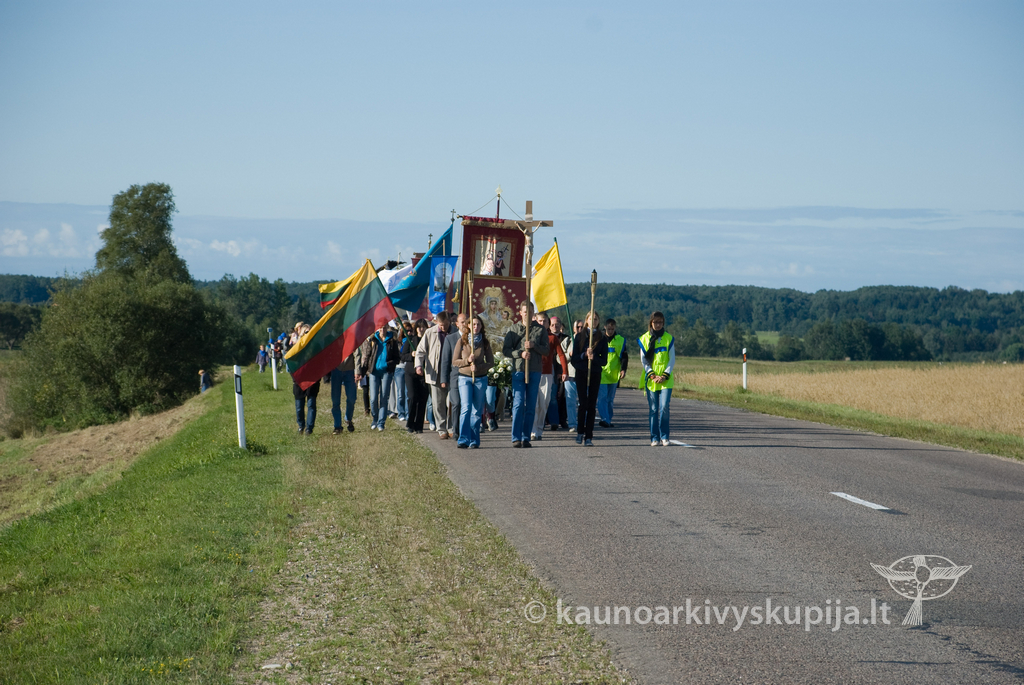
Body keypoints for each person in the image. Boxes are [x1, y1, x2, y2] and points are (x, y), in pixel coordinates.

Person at [502, 301, 550, 448]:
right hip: (519, 370)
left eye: (530, 312)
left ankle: (526, 436)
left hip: (534, 370)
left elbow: (546, 350)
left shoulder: (540, 330)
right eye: (525, 312)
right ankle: (516, 437)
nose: (527, 314)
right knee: (518, 404)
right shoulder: (514, 329)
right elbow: (506, 350)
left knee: (531, 406)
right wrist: (520, 353)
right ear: (520, 313)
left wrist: (534, 346)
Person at [453, 315, 494, 448]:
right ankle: (463, 438)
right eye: (473, 324)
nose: (476, 327)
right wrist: (467, 361)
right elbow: (455, 361)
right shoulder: (462, 341)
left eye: (478, 324)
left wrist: (479, 367)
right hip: (464, 378)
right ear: (469, 326)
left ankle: (474, 439)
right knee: (466, 407)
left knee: (476, 411)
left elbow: (491, 362)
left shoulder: (485, 343)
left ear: (481, 327)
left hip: (480, 379)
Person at [639, 311, 675, 446]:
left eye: (660, 322)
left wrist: (665, 375)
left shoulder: (669, 338)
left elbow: (672, 359)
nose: (658, 325)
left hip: (666, 379)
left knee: (664, 406)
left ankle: (664, 435)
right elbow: (644, 360)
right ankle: (654, 437)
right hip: (652, 379)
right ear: (651, 323)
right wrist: (652, 375)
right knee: (653, 409)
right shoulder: (644, 339)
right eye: (655, 322)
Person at [571, 311, 608, 447]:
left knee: (592, 405)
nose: (594, 321)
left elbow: (604, 361)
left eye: (596, 319)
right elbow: (574, 359)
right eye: (591, 319)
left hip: (595, 373)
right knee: (583, 403)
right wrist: (584, 356)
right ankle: (580, 431)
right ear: (587, 320)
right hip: (581, 372)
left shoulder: (602, 338)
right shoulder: (579, 336)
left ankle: (589, 435)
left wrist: (594, 358)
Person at [415, 311, 453, 439]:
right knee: (438, 403)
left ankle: (451, 427)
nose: (443, 327)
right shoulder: (430, 333)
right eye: (441, 325)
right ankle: (441, 429)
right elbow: (420, 351)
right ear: (437, 322)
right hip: (435, 372)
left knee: (451, 402)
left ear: (450, 322)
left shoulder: (455, 332)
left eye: (446, 325)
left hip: (451, 373)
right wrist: (418, 365)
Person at [531, 311, 568, 441]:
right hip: (532, 373)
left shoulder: (552, 338)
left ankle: (539, 429)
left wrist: (565, 371)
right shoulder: (530, 336)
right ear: (535, 321)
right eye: (539, 321)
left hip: (547, 374)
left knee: (544, 403)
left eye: (544, 321)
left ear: (548, 323)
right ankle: (533, 430)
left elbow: (561, 355)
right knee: (534, 404)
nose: (542, 323)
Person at [358, 321, 401, 431]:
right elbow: (367, 356)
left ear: (387, 328)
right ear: (377, 329)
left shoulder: (392, 341)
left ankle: (381, 422)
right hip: (374, 372)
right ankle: (375, 419)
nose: (382, 330)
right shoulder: (373, 340)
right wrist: (362, 372)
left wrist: (388, 364)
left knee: (383, 397)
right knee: (373, 398)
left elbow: (397, 358)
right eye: (380, 328)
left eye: (384, 328)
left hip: (386, 372)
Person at [597, 318, 629, 428]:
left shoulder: (620, 340)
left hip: (614, 374)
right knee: (602, 397)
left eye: (612, 329)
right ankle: (604, 418)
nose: (610, 331)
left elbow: (624, 357)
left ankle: (608, 419)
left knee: (610, 399)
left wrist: (623, 369)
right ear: (605, 327)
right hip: (602, 373)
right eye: (608, 329)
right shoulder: (599, 339)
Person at [440, 312, 467, 440]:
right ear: (457, 324)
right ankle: (455, 430)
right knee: (456, 403)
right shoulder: (450, 339)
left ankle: (465, 429)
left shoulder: (472, 338)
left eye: (466, 322)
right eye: (462, 322)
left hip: (468, 376)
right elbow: (445, 360)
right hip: (455, 376)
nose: (465, 324)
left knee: (466, 405)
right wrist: (443, 379)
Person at [402, 318, 429, 433]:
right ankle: (410, 423)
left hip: (425, 373)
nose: (421, 329)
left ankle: (419, 426)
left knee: (423, 399)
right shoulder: (411, 340)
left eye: (423, 327)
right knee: (413, 397)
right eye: (419, 327)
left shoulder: (428, 340)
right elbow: (402, 356)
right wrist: (411, 355)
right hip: (411, 373)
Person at [329, 352, 357, 435]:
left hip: (350, 370)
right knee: (335, 400)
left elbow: (357, 353)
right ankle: (337, 426)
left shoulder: (351, 341)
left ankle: (348, 418)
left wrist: (358, 370)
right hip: (336, 369)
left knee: (352, 398)